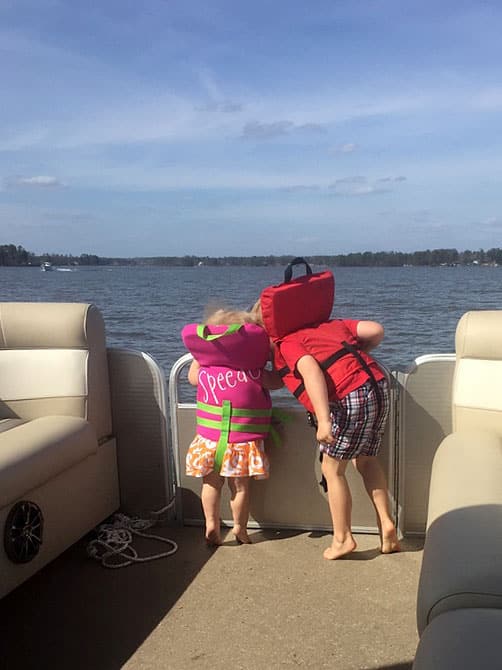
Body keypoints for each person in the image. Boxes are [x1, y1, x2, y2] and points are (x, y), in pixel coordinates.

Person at [253, 300, 400, 560]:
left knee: (332, 470)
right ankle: (386, 523)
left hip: (350, 398)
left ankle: (343, 539)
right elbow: (376, 330)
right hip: (377, 387)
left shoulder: (288, 343)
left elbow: (310, 372)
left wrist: (324, 420)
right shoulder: (330, 326)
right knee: (366, 460)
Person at [181, 306, 282, 546]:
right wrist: (274, 357)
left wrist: (200, 356)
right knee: (240, 489)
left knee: (210, 484)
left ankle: (211, 525)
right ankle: (240, 528)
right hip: (242, 444)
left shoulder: (205, 371)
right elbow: (278, 382)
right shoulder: (255, 372)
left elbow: (191, 378)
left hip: (208, 442)